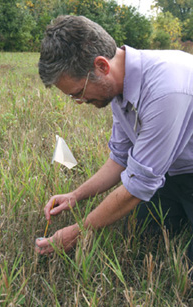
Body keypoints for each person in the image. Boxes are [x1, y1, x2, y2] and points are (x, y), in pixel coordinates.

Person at [36, 15, 193, 262]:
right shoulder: (119, 87)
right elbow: (120, 158)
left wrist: (77, 233)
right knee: (144, 238)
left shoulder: (166, 89)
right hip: (173, 173)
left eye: (77, 93)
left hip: (187, 170)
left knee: (186, 270)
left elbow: (138, 186)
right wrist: (75, 195)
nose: (79, 102)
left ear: (101, 66)